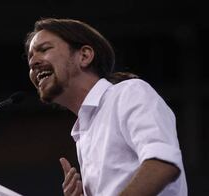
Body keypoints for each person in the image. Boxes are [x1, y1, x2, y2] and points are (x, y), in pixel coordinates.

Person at [25, 18, 187, 196]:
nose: (33, 63)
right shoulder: (83, 133)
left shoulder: (129, 93)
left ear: (84, 56)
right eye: (30, 57)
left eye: (44, 49)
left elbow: (163, 163)